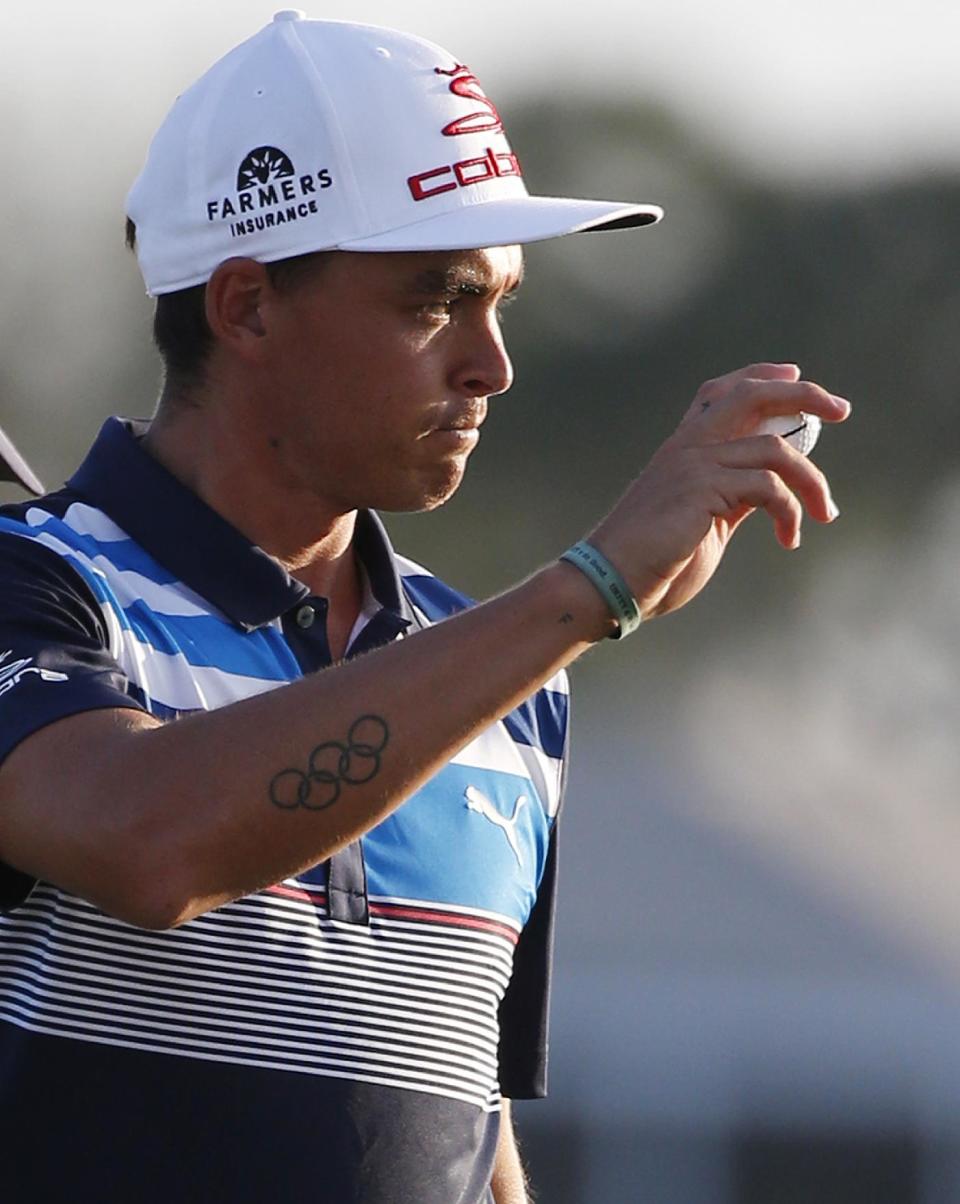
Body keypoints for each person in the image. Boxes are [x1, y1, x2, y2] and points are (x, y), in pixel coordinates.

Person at [0, 12, 848, 1204]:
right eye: (435, 301)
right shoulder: (36, 584)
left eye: (498, 302)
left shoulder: (511, 681)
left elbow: (462, 1125)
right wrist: (589, 585)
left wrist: (560, 618)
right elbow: (149, 842)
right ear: (244, 308)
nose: (491, 364)